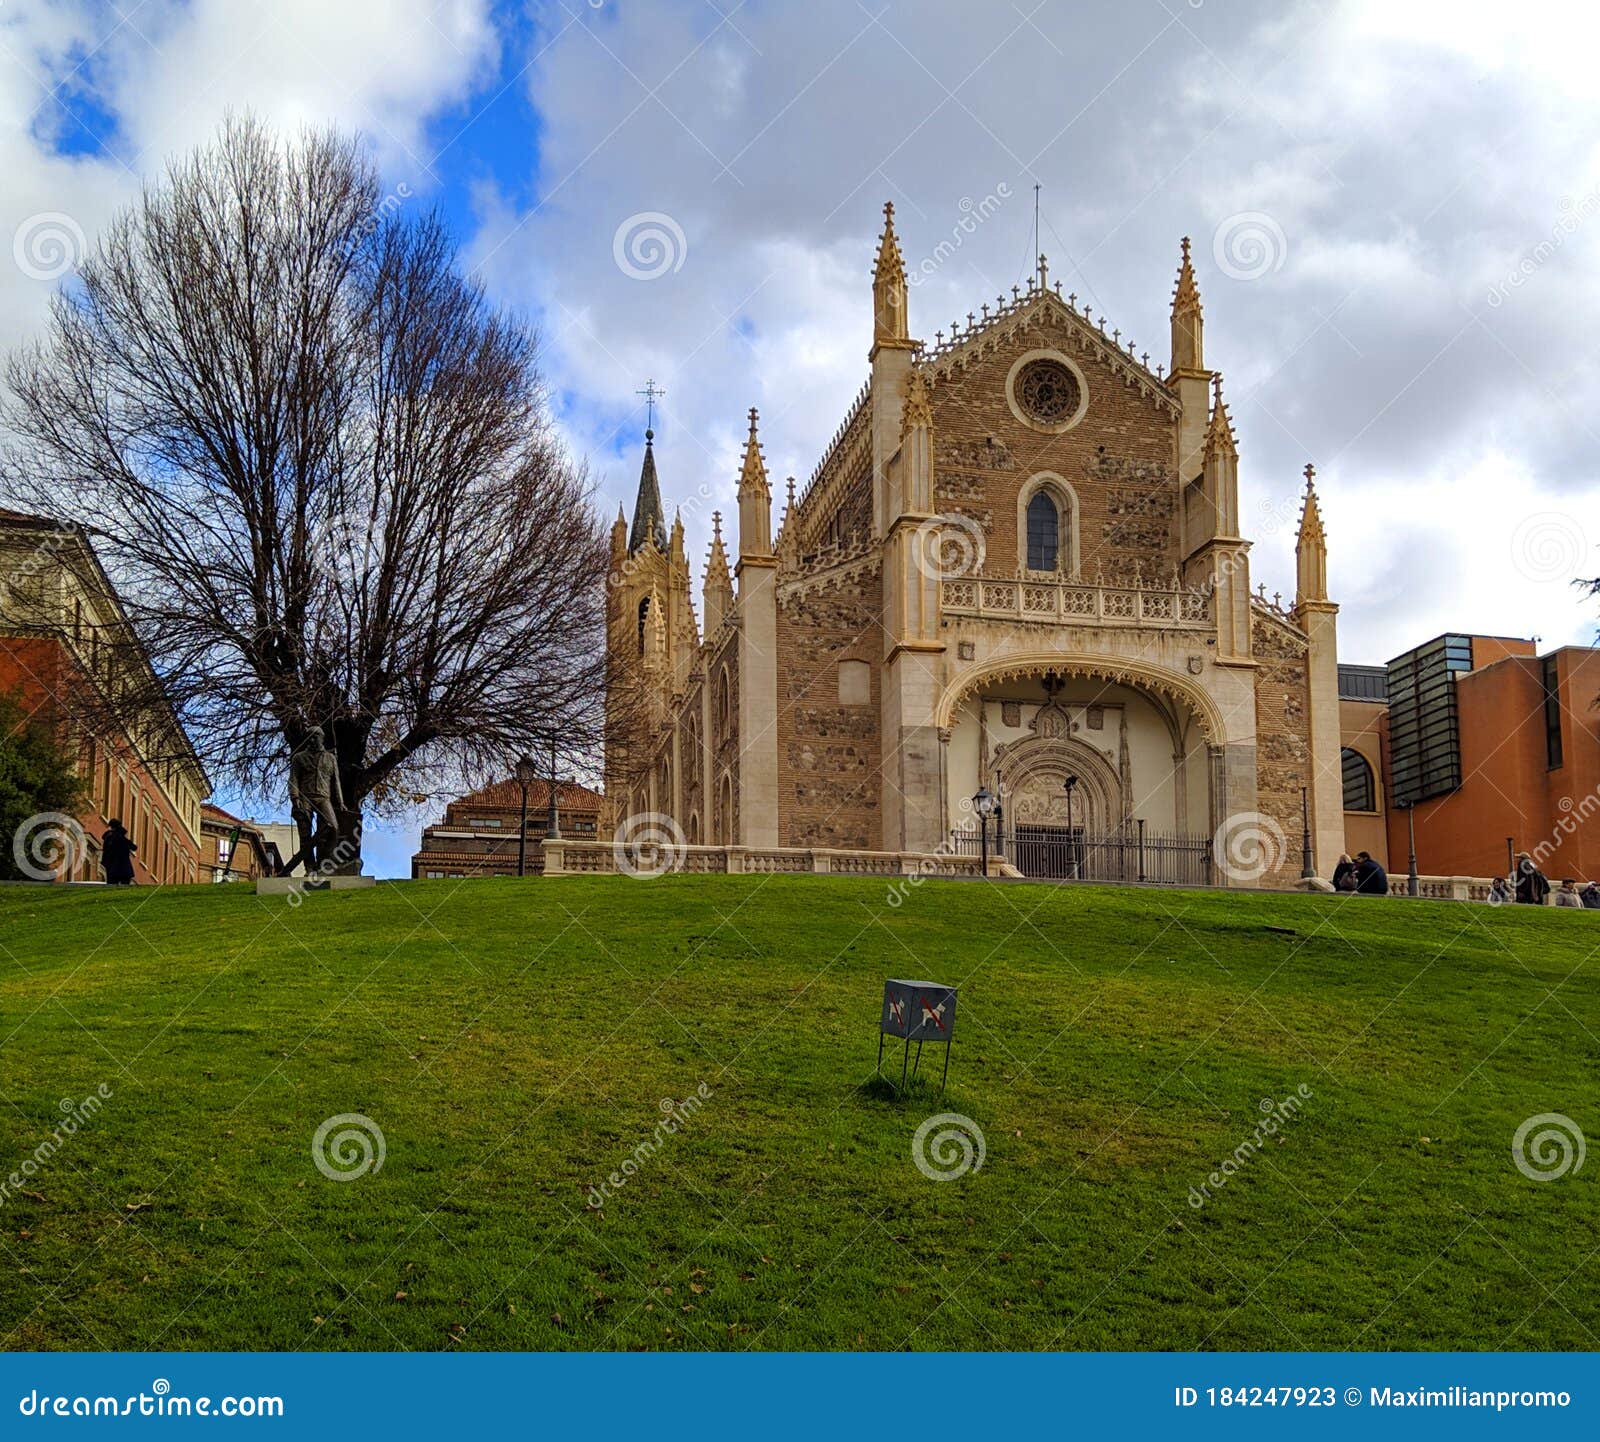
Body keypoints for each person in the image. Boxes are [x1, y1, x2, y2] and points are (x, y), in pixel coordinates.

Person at [100, 819, 136, 885]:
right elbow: (134, 847)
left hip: (111, 866)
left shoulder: (108, 837)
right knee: (123, 885)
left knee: (112, 885)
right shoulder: (119, 837)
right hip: (121, 866)